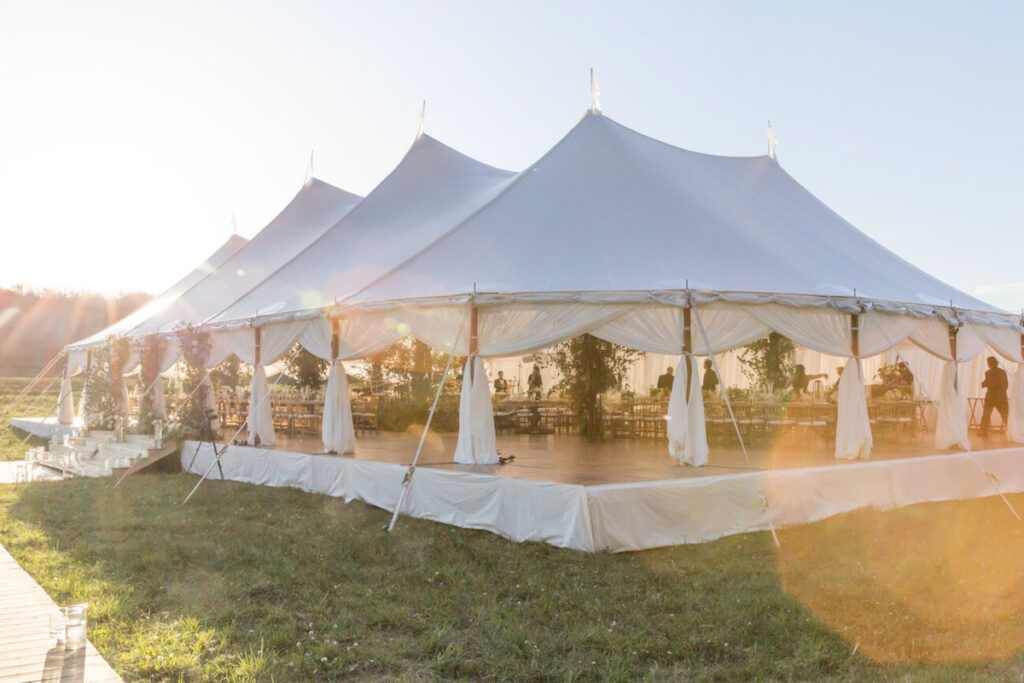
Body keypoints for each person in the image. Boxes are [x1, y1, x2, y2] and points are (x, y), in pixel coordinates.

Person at [980, 356, 1008, 437]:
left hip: (991, 396)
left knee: (986, 415)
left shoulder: (988, 372)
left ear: (990, 363)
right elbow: (1006, 384)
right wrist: (1002, 392)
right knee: (1005, 414)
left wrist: (983, 384)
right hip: (1001, 396)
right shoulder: (1003, 372)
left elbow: (988, 383)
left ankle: (983, 432)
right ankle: (1012, 431)